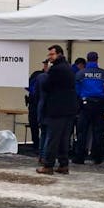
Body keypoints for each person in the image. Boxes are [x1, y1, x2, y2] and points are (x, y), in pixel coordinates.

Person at [37, 44, 78, 175]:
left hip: (57, 108)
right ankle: (63, 164)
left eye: (51, 54)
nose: (49, 57)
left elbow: (47, 86)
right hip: (69, 108)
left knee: (53, 138)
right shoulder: (69, 68)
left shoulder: (56, 69)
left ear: (59, 54)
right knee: (64, 138)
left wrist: (48, 72)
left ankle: (48, 165)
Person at [73, 51, 104, 164]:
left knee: (82, 132)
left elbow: (76, 90)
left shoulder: (81, 73)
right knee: (98, 132)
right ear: (97, 59)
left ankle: (79, 157)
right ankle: (97, 157)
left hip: (85, 105)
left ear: (87, 59)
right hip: (99, 104)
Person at [26, 59, 48, 155]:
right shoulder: (37, 74)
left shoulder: (50, 76)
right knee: (34, 125)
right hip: (34, 104)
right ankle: (36, 145)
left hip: (43, 104)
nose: (45, 66)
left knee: (44, 127)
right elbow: (27, 86)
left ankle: (42, 147)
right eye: (45, 64)